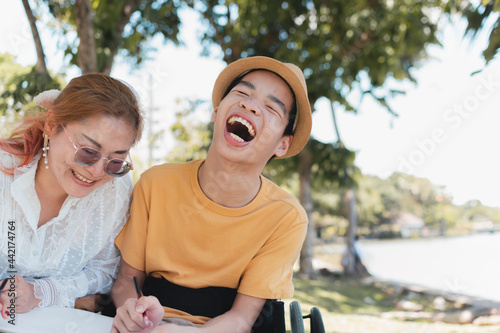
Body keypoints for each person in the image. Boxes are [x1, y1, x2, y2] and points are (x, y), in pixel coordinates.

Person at [110, 56, 312, 333]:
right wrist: (130, 310)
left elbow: (241, 319)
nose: (249, 104)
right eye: (242, 93)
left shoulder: (286, 218)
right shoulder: (155, 183)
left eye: (271, 108)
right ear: (217, 111)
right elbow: (125, 282)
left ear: (283, 144)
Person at [0, 73, 143, 319]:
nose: (98, 172)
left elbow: (104, 273)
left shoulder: (116, 190)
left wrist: (43, 292)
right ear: (52, 124)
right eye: (88, 151)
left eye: (116, 161)